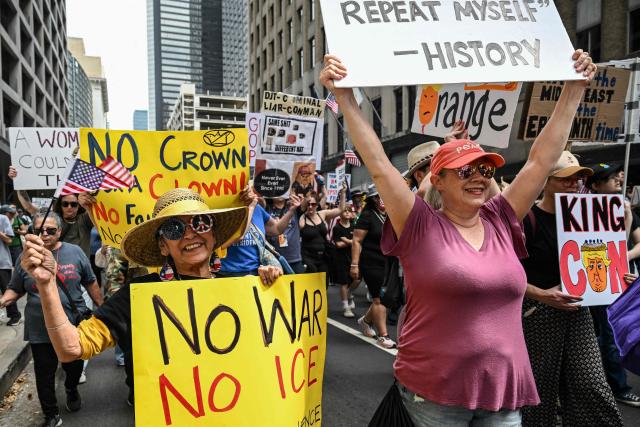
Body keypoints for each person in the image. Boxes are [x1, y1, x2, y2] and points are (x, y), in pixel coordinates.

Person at [320, 49, 596, 425]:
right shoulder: (419, 225)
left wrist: (574, 90)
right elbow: (380, 165)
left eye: (484, 168)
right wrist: (346, 97)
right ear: (439, 180)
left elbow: (540, 160)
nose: (479, 176)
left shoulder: (501, 218)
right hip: (436, 394)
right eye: (464, 171)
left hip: (502, 393)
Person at [18, 188, 281, 410]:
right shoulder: (139, 296)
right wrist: (47, 284)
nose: (190, 234)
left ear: (213, 236)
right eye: (175, 228)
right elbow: (71, 348)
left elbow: (271, 349)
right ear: (163, 246)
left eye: (201, 222)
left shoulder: (241, 289)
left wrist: (274, 290)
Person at [520, 151, 623, 425]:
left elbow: (601, 260)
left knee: (591, 386)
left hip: (578, 312)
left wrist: (618, 274)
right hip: (537, 315)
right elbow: (505, 276)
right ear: (545, 180)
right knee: (538, 393)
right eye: (565, 178)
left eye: (578, 178)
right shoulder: (526, 219)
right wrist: (542, 295)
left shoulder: (590, 217)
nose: (574, 183)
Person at [0, 211, 103, 427]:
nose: (45, 234)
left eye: (51, 230)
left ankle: (71, 388)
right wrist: (3, 301)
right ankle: (51, 414)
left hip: (72, 325)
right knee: (44, 373)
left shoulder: (74, 252)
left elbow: (91, 282)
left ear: (59, 231)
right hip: (40, 328)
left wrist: (103, 308)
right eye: (39, 230)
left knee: (74, 368)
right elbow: (15, 289)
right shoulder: (25, 258)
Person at [586, 163, 640, 407]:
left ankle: (617, 385)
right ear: (596, 185)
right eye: (610, 177)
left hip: (618, 281)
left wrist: (622, 258)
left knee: (611, 334)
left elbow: (632, 243)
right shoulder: (578, 211)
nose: (618, 180)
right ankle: (611, 385)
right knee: (601, 335)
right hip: (589, 280)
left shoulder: (624, 209)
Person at [9, 166, 95, 257]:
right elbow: (29, 207)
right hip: (54, 267)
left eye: (73, 204)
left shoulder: (85, 219)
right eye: (65, 204)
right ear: (60, 205)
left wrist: (87, 200)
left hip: (79, 268)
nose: (69, 207)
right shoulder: (51, 218)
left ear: (79, 205)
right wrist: (18, 182)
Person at [351, 185, 396, 348]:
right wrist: (354, 264)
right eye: (377, 197)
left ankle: (366, 320)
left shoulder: (390, 214)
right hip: (371, 262)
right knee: (379, 298)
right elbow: (357, 240)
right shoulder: (367, 216)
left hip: (388, 261)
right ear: (372, 199)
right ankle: (383, 336)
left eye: (383, 195)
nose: (381, 199)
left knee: (387, 297)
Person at [218, 187, 295, 277]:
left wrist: (291, 210)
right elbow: (239, 235)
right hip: (226, 274)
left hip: (256, 272)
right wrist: (250, 207)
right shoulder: (223, 210)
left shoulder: (257, 208)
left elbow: (276, 229)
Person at [299, 186, 345, 277]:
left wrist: (343, 193)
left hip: (323, 256)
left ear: (317, 205)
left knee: (324, 282)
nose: (310, 207)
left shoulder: (322, 214)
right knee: (312, 279)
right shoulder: (301, 218)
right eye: (308, 204)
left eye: (313, 204)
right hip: (307, 257)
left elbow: (340, 210)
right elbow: (301, 207)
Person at [265, 194, 307, 274]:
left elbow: (307, 202)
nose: (279, 193)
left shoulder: (294, 207)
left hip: (294, 259)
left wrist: (302, 198)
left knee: (297, 285)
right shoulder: (266, 208)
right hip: (273, 259)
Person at [332, 204, 358, 317]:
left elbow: (358, 241)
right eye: (344, 211)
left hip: (353, 257)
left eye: (349, 211)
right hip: (341, 258)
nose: (347, 213)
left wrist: (346, 240)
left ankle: (350, 293)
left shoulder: (354, 227)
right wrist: (351, 242)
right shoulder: (337, 228)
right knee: (344, 282)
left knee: (357, 279)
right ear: (340, 214)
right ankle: (346, 306)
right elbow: (338, 244)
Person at [0, 210, 20, 326]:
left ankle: (15, 316)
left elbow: (9, 240)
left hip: (2, 263)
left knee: (7, 290)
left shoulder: (3, 219)